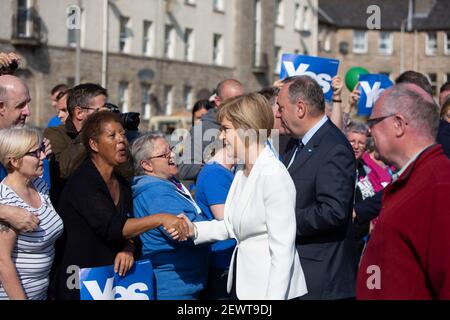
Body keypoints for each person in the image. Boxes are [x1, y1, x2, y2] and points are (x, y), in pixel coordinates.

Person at [179, 93, 307, 300]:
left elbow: (283, 250)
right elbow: (230, 224)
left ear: (247, 129)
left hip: (270, 292)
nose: (220, 136)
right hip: (245, 286)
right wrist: (192, 229)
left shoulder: (272, 174)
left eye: (226, 129)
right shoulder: (241, 170)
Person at [52, 112, 188, 300]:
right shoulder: (84, 183)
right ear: (94, 144)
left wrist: (128, 247)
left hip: (114, 282)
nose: (121, 141)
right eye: (112, 136)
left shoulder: (122, 183)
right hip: (79, 281)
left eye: (123, 134)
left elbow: (130, 227)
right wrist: (162, 218)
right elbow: (113, 227)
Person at [356, 83, 450, 299]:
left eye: (374, 122)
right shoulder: (413, 177)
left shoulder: (439, 185)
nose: (369, 131)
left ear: (398, 124)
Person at [276, 75, 357, 300]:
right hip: (298, 275)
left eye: (281, 108)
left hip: (321, 282)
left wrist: (280, 220)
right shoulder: (294, 144)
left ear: (300, 108)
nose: (278, 114)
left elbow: (333, 212)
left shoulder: (333, 147)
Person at [131, 133, 210, 300]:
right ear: (147, 165)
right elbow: (185, 233)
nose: (172, 156)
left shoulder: (166, 183)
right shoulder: (157, 194)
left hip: (185, 282)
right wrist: (215, 221)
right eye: (164, 154)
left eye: (171, 150)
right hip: (174, 287)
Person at [44, 83, 133, 206]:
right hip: (74, 211)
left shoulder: (107, 135)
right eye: (101, 111)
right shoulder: (55, 133)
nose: (105, 115)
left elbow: (127, 172)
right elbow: (64, 170)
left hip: (109, 204)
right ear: (79, 113)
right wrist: (90, 131)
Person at [0, 127, 63, 300]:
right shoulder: (7, 201)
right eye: (35, 153)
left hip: (41, 293)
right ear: (14, 161)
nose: (43, 156)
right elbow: (2, 262)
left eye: (41, 150)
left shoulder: (39, 185)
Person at [0, 75, 46, 232]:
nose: (28, 112)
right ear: (1, 107)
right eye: (21, 105)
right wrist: (5, 211)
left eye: (28, 103)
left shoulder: (33, 144)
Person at [178, 79, 244, 181]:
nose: (240, 106)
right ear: (218, 101)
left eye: (242, 101)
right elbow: (185, 169)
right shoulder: (202, 129)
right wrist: (217, 165)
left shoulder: (245, 124)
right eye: (233, 101)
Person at [194, 139, 235, 299]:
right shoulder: (215, 174)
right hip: (222, 260)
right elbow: (225, 218)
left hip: (226, 258)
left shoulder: (221, 172)